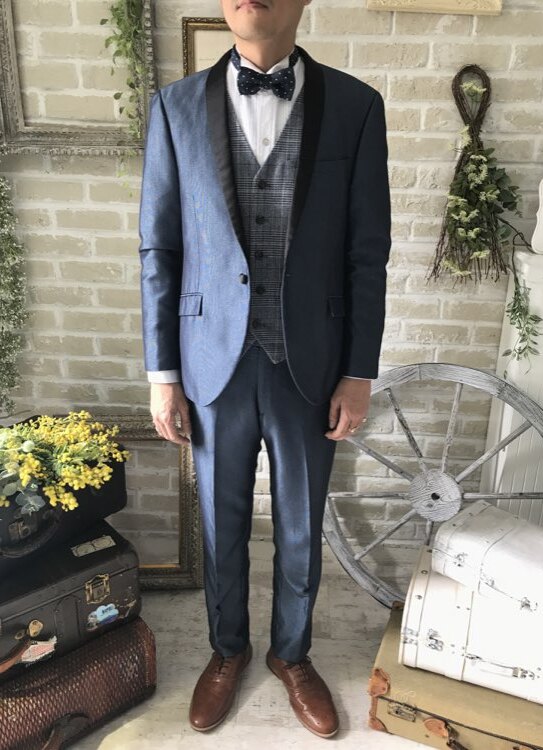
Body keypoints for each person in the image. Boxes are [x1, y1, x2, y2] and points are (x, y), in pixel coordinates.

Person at [138, 0, 391, 738]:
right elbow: (160, 248)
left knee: (301, 525)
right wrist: (161, 373)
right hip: (209, 360)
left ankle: (292, 653)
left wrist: (360, 371)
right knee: (220, 525)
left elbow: (366, 251)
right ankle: (228, 651)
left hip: (311, 359)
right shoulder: (174, 108)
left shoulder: (357, 107)